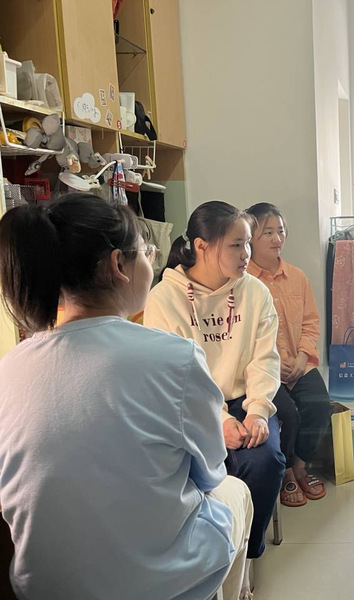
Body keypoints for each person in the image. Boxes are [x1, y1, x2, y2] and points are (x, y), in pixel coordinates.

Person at [0, 194, 252, 600]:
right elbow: (209, 472)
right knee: (234, 494)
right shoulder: (174, 357)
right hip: (156, 586)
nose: (152, 263)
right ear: (118, 265)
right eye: (146, 252)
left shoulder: (10, 369)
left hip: (45, 587)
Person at [144, 201, 285, 595]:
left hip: (246, 400)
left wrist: (258, 412)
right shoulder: (165, 298)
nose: (246, 254)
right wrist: (219, 419)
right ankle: (207, 559)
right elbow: (176, 376)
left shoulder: (255, 292)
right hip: (191, 406)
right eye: (236, 245)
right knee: (197, 473)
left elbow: (264, 359)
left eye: (247, 244)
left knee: (266, 462)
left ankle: (246, 555)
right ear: (202, 246)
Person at [246, 203, 331, 507]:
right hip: (265, 369)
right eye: (267, 232)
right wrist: (274, 363)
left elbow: (311, 321)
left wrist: (303, 356)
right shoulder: (243, 282)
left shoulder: (297, 276)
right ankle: (284, 474)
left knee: (320, 405)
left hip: (299, 362)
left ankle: (300, 467)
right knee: (288, 415)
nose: (276, 238)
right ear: (250, 238)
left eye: (280, 231)